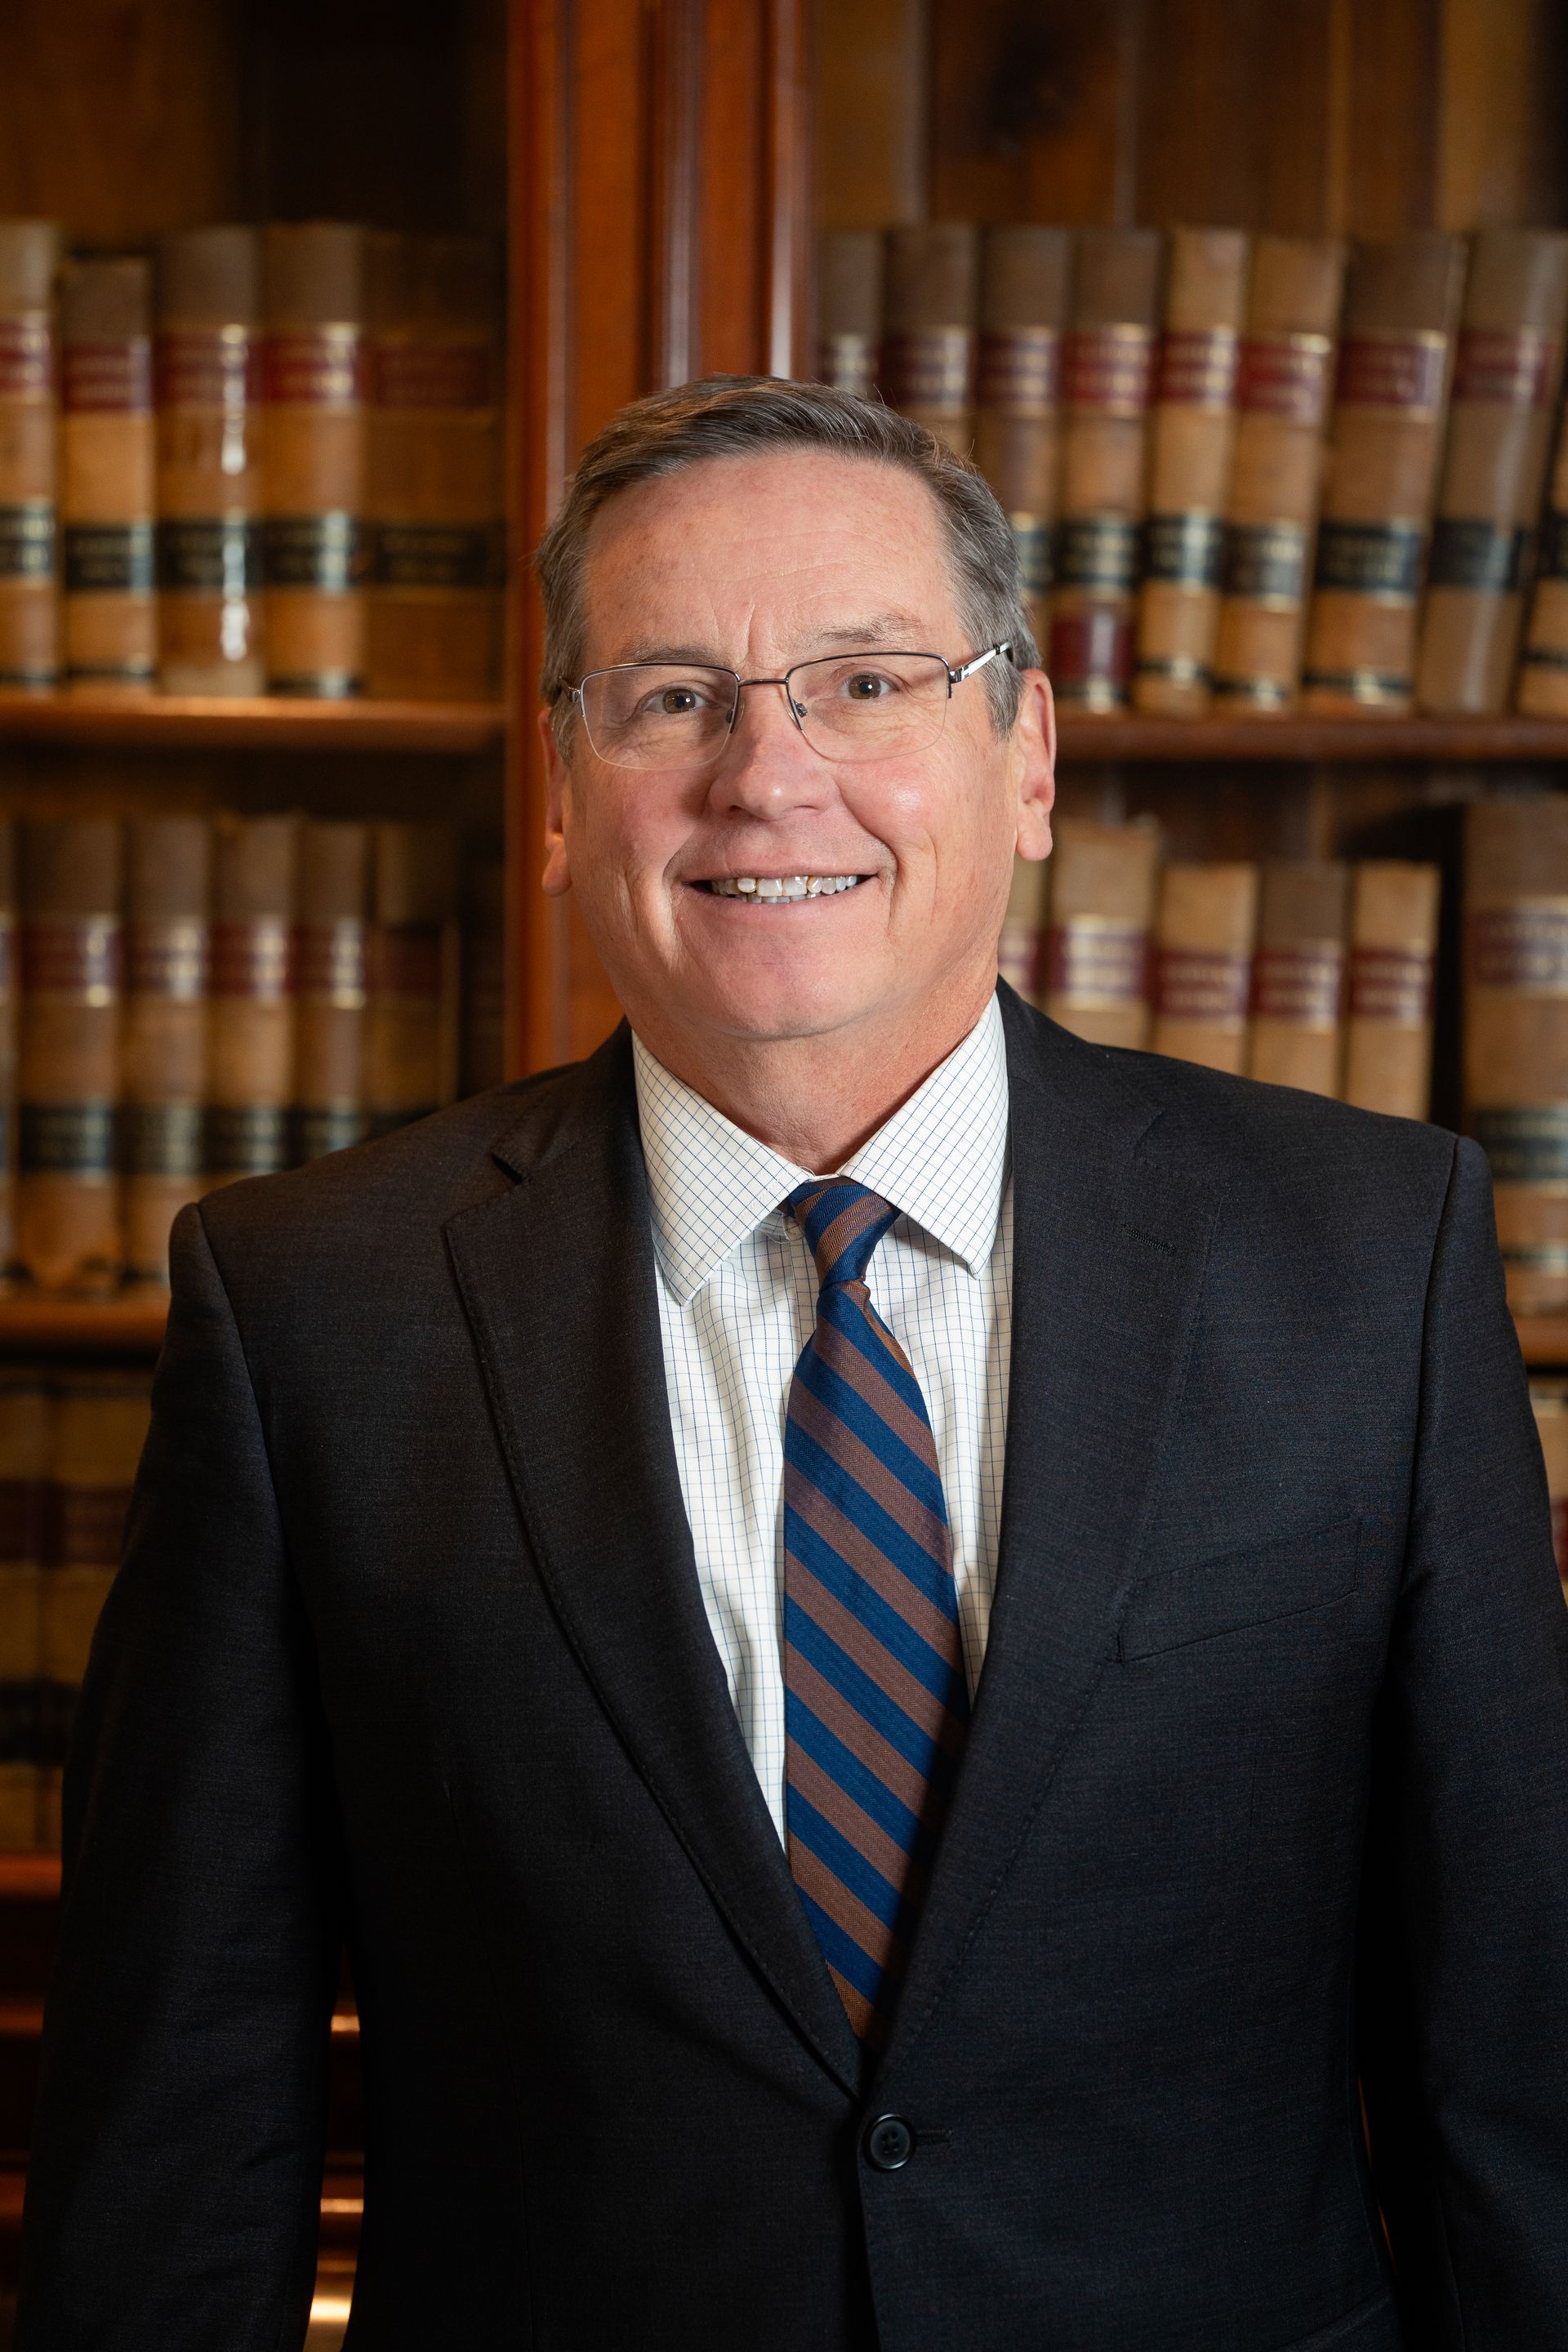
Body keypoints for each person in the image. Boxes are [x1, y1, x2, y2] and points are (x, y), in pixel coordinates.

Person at [17, 376, 1568, 2352]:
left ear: (1026, 755)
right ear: (569, 791)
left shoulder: (1370, 1262)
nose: (769, 773)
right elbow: (178, 2120)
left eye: (866, 683)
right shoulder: (309, 1310)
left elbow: (1517, 2078)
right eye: (672, 696)